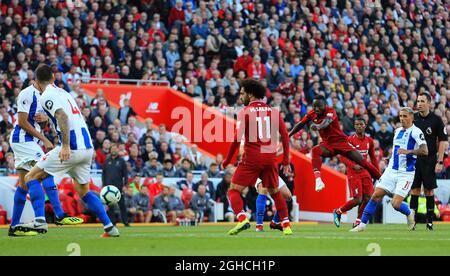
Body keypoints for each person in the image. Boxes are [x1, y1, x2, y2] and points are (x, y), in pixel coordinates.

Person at [19, 64, 118, 237]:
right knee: (83, 191)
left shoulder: (46, 95)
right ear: (53, 78)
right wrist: (47, 120)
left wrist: (65, 145)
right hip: (87, 148)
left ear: (36, 82)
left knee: (30, 177)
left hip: (71, 147)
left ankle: (40, 221)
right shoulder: (63, 93)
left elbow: (62, 116)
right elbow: (64, 115)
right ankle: (110, 227)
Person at [8, 64, 83, 237]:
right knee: (46, 171)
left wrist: (44, 122)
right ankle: (59, 215)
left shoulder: (46, 95)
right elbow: (22, 122)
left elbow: (39, 122)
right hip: (23, 140)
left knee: (24, 185)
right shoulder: (26, 94)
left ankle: (14, 228)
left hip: (30, 141)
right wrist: (45, 139)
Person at [222, 79, 292, 235]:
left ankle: (242, 219)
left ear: (251, 94)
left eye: (242, 93)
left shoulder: (244, 112)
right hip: (269, 159)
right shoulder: (274, 111)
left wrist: (227, 160)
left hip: (252, 158)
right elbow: (285, 136)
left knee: (233, 190)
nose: (241, 97)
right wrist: (286, 160)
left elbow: (236, 139)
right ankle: (286, 225)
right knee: (275, 192)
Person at [351, 107, 428, 232]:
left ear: (412, 118)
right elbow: (397, 148)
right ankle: (361, 225)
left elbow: (425, 151)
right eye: (400, 116)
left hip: (406, 173)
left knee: (395, 204)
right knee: (375, 196)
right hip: (391, 170)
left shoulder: (416, 132)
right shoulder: (397, 131)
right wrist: (391, 157)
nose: (402, 119)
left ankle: (409, 212)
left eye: (405, 116)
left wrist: (408, 151)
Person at [289, 95, 381, 192]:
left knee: (364, 163)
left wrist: (318, 127)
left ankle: (382, 180)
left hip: (342, 143)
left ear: (324, 105)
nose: (316, 109)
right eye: (314, 106)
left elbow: (326, 122)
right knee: (315, 150)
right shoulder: (312, 113)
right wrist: (289, 134)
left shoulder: (330, 111)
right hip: (328, 145)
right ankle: (318, 180)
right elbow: (300, 124)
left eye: (319, 106)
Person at [410, 92, 448, 230]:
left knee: (429, 191)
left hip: (430, 159)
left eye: (422, 101)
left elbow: (443, 141)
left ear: (429, 103)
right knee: (414, 190)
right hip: (414, 159)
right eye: (418, 101)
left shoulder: (436, 120)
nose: (419, 103)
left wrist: (440, 161)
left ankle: (430, 222)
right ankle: (412, 222)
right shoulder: (412, 119)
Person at [333, 117, 379, 228]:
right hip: (353, 173)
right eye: (356, 124)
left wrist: (378, 174)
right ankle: (338, 211)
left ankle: (358, 221)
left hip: (365, 171)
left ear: (365, 125)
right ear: (354, 126)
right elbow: (342, 157)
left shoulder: (369, 141)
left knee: (368, 197)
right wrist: (353, 165)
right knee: (358, 199)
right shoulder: (349, 140)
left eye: (361, 124)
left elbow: (373, 158)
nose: (358, 126)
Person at [102, 143, 129, 226]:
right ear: (110, 150)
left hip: (119, 187)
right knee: (110, 206)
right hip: (109, 188)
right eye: (112, 149)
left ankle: (125, 222)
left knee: (122, 205)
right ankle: (113, 222)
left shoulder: (122, 161)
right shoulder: (106, 161)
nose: (114, 150)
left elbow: (125, 174)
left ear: (118, 150)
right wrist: (104, 185)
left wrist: (125, 185)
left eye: (115, 149)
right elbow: (104, 174)